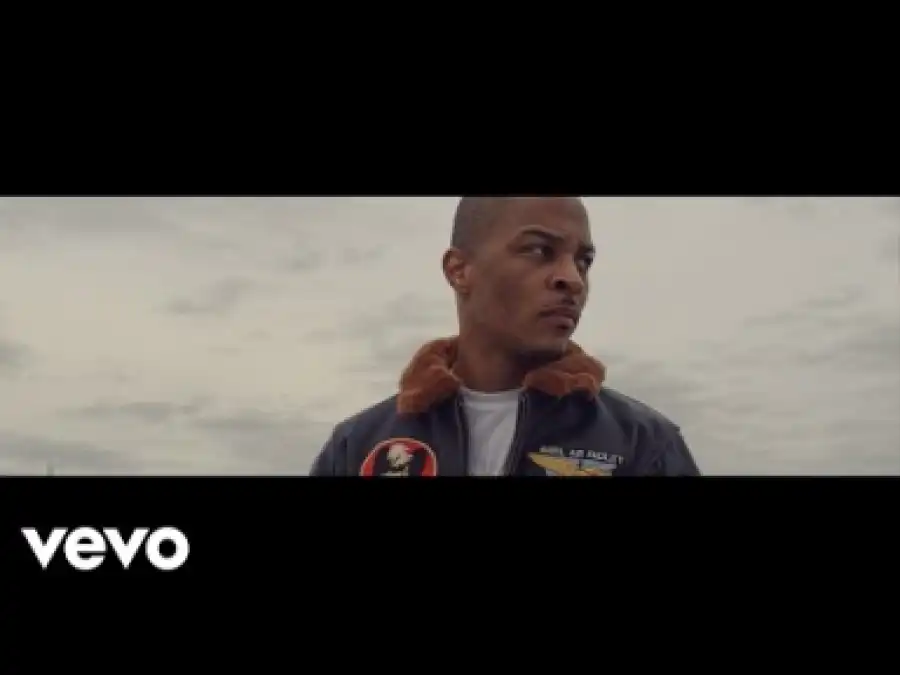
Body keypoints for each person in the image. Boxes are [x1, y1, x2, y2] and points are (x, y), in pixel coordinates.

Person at [310, 196, 701, 477]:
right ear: (459, 270)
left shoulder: (644, 445)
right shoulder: (357, 447)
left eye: (584, 261)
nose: (572, 278)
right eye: (539, 250)